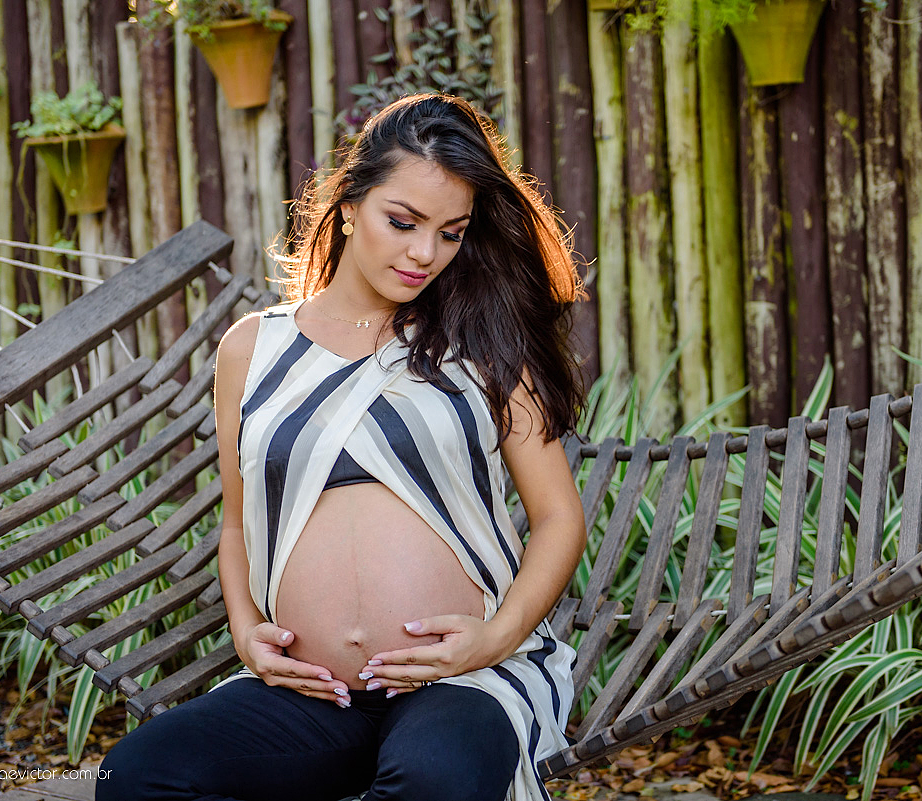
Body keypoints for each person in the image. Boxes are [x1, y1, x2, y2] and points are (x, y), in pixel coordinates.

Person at [96, 93, 588, 801]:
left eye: (451, 232)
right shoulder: (253, 349)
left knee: (434, 780)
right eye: (403, 221)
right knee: (133, 778)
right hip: (311, 695)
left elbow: (558, 518)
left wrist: (495, 638)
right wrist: (245, 631)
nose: (426, 253)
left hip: (458, 680)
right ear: (351, 203)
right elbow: (238, 524)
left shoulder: (482, 342)